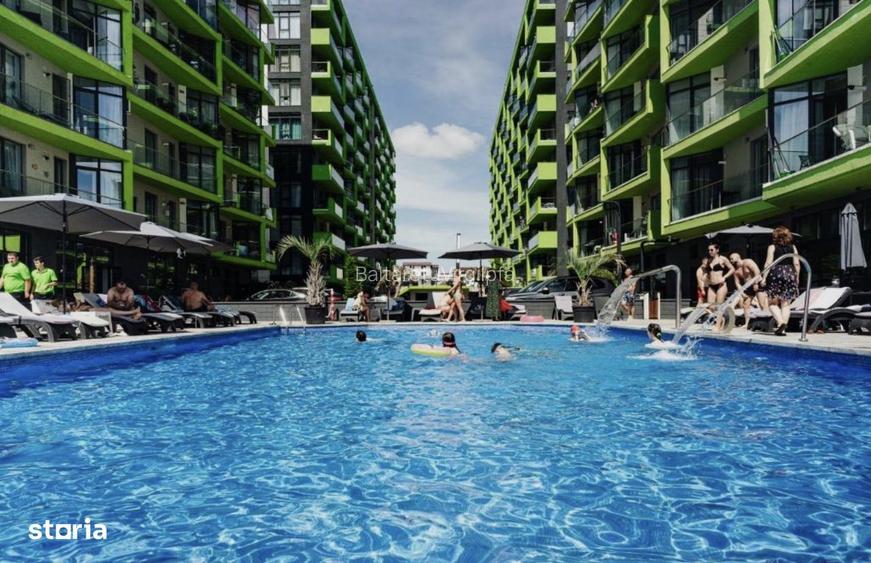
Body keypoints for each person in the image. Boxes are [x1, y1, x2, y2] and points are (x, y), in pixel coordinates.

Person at [763, 226, 800, 336]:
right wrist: (797, 277)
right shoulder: (793, 247)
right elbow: (796, 263)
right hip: (790, 274)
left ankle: (780, 323)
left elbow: (768, 263)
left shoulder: (772, 247)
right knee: (786, 303)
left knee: (772, 302)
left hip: (776, 274)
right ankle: (783, 329)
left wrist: (764, 277)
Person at [729, 252, 768, 320]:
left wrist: (756, 283)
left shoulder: (747, 262)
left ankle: (767, 320)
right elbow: (737, 283)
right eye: (730, 259)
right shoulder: (736, 271)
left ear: (738, 257)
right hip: (748, 286)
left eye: (732, 258)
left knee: (762, 304)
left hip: (757, 282)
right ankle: (746, 323)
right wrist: (741, 292)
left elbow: (757, 271)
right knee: (745, 305)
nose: (730, 260)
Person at [705, 243, 735, 307]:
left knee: (719, 307)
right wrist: (707, 279)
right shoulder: (709, 260)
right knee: (711, 307)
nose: (709, 252)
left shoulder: (723, 259)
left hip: (721, 285)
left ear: (717, 250)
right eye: (708, 250)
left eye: (711, 250)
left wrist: (724, 277)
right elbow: (708, 272)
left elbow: (732, 269)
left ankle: (722, 313)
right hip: (711, 285)